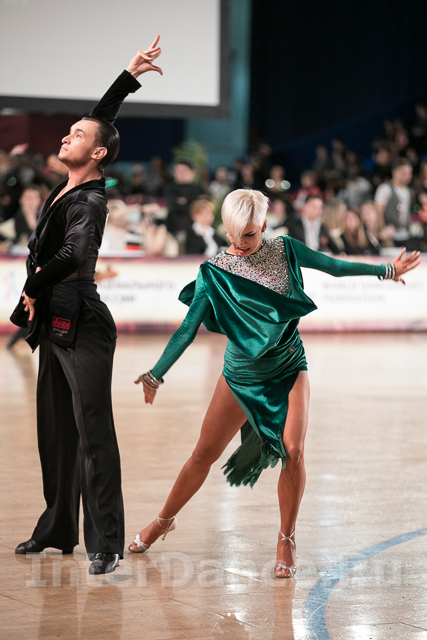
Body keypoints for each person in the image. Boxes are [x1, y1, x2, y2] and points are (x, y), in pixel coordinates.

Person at [129, 189, 420, 579]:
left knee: (293, 450)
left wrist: (387, 270)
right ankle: (164, 520)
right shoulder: (213, 272)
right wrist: (156, 374)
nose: (240, 243)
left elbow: (334, 266)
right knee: (202, 455)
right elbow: (187, 329)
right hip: (240, 377)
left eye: (249, 234)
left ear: (264, 225)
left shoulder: (285, 249)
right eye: (233, 234)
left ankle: (287, 538)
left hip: (289, 367)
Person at [10, 37, 163, 576]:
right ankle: (57, 530)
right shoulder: (68, 184)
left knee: (93, 430)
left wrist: (33, 285)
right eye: (68, 131)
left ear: (97, 154)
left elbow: (74, 255)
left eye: (76, 136)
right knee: (55, 430)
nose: (66, 136)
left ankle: (107, 542)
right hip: (55, 318)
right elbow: (100, 121)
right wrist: (127, 76)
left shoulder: (92, 200)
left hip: (84, 324)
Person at [374, 158, 414, 246]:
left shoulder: (409, 191)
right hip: (390, 236)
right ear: (395, 173)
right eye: (404, 173)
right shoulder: (385, 188)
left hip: (405, 235)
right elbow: (378, 212)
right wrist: (382, 231)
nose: (408, 176)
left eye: (409, 173)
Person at [164, 161, 206, 235]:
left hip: (195, 230)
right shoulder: (169, 188)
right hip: (172, 228)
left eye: (182, 171)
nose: (178, 174)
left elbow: (201, 209)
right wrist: (191, 203)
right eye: (176, 171)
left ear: (192, 172)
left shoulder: (200, 189)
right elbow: (171, 206)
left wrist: (185, 203)